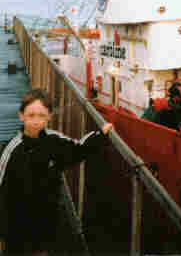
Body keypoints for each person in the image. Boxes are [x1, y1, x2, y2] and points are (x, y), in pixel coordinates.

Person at [0, 88, 113, 255]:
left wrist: (101, 135)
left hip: (45, 222)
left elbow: (77, 150)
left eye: (41, 115)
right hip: (16, 227)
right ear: (21, 116)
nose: (36, 121)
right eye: (31, 115)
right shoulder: (13, 150)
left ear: (49, 116)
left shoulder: (54, 141)